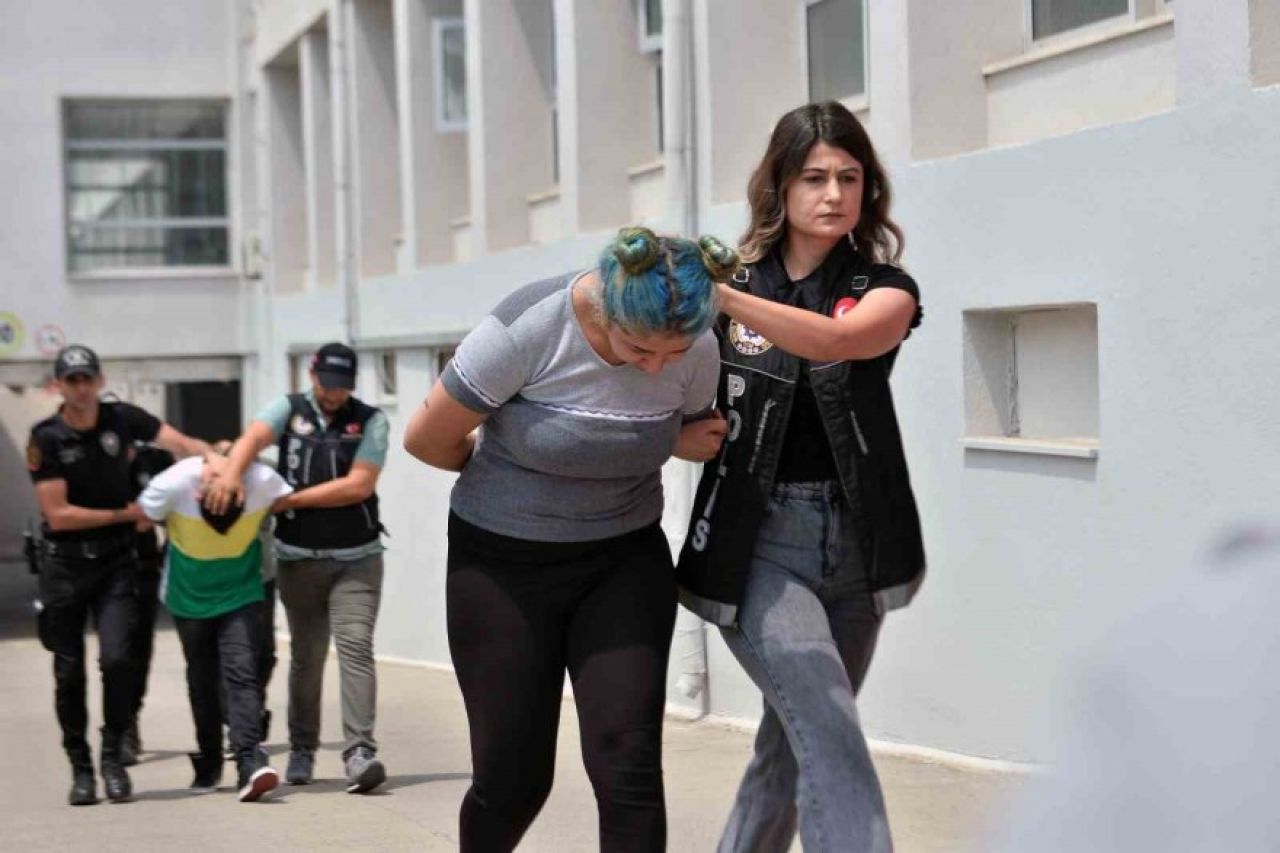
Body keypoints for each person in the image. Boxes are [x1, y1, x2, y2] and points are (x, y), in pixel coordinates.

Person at [403, 227, 736, 852]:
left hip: (622, 561)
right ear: (607, 308)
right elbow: (426, 439)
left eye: (672, 354)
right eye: (640, 349)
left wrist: (668, 439)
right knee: (514, 780)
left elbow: (688, 430)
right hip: (501, 564)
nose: (657, 366)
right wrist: (513, 479)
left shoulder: (696, 348)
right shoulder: (527, 328)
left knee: (628, 767)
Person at [676, 102, 926, 853]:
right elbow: (656, 381)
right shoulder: (732, 286)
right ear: (781, 185)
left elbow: (839, 340)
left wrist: (723, 297)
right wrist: (677, 435)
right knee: (826, 724)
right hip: (759, 544)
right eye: (815, 177)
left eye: (850, 177)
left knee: (791, 746)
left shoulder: (885, 286)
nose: (834, 193)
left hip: (858, 545)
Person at [25, 344, 215, 805]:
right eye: (72, 380)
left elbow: (180, 443)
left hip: (116, 563)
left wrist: (218, 459)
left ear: (100, 381)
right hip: (65, 566)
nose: (81, 388)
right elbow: (59, 515)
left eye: (87, 379)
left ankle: (112, 759)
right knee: (68, 672)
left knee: (118, 660)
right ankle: (81, 768)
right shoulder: (46, 438)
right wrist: (127, 513)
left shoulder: (123, 419)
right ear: (58, 386)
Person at [204, 343, 391, 793]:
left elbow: (358, 485)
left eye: (343, 387)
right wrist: (231, 473)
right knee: (307, 658)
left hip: (357, 559)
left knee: (355, 648)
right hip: (298, 560)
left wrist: (288, 501)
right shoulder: (288, 410)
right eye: (328, 385)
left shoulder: (371, 420)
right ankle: (303, 748)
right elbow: (253, 439)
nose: (334, 394)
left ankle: (359, 752)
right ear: (312, 375)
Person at [138, 447, 292, 801]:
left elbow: (289, 500)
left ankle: (249, 760)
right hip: (188, 596)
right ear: (197, 490)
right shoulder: (176, 482)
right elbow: (144, 516)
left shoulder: (262, 481)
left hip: (240, 591)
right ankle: (208, 760)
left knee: (242, 672)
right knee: (202, 678)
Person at [122, 441, 176, 766]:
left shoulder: (153, 460)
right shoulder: (90, 454)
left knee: (138, 649)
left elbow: (176, 505)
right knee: (116, 653)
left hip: (142, 565)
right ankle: (119, 727)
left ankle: (129, 718)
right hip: (99, 567)